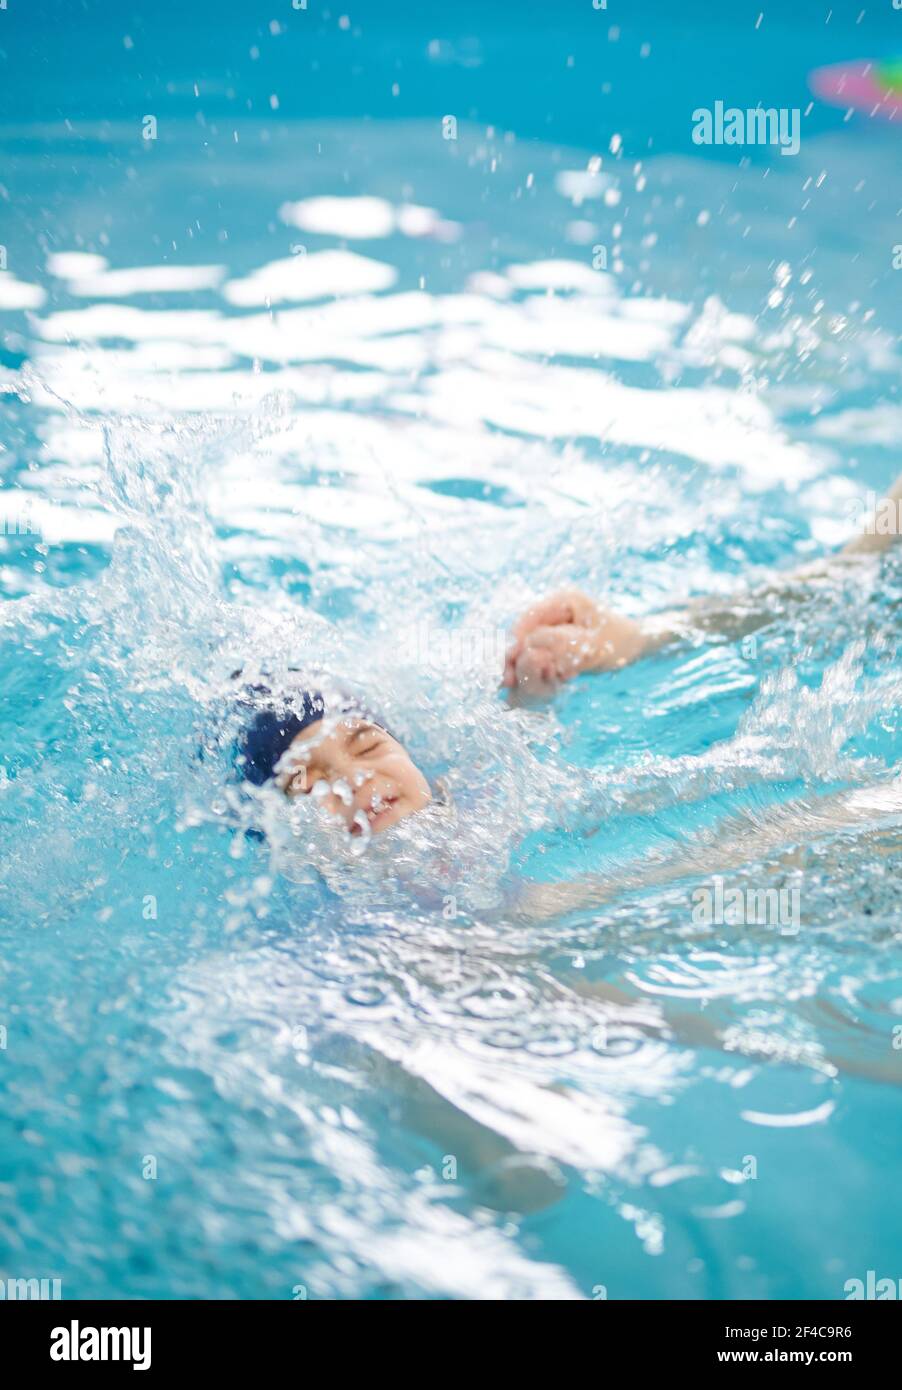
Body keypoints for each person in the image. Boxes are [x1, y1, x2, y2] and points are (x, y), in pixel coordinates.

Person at [233, 472, 902, 920]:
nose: (357, 781)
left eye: (368, 743)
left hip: (596, 896)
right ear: (282, 838)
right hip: (562, 927)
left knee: (814, 838)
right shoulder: (352, 936)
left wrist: (533, 690)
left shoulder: (475, 795)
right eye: (309, 783)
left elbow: (518, 748)